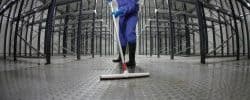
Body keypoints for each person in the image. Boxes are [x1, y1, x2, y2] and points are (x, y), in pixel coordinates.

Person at [107, 0, 139, 67]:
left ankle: (132, 61)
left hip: (131, 14)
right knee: (121, 36)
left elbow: (132, 5)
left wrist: (121, 11)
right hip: (123, 15)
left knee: (130, 33)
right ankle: (121, 57)